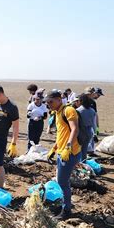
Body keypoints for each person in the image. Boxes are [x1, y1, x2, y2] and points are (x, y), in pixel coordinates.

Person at [45, 90, 81, 220]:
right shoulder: (57, 113)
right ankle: (65, 205)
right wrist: (53, 149)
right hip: (62, 151)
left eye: (51, 102)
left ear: (59, 99)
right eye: (47, 102)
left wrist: (68, 147)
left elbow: (75, 129)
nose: (49, 105)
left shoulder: (68, 110)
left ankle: (66, 211)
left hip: (69, 153)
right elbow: (61, 134)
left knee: (62, 182)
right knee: (62, 181)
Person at [76, 93, 97, 161]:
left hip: (80, 132)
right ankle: (83, 162)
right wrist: (95, 134)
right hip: (89, 132)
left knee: (77, 149)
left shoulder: (78, 111)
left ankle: (78, 163)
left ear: (81, 101)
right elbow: (94, 124)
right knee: (84, 150)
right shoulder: (92, 110)